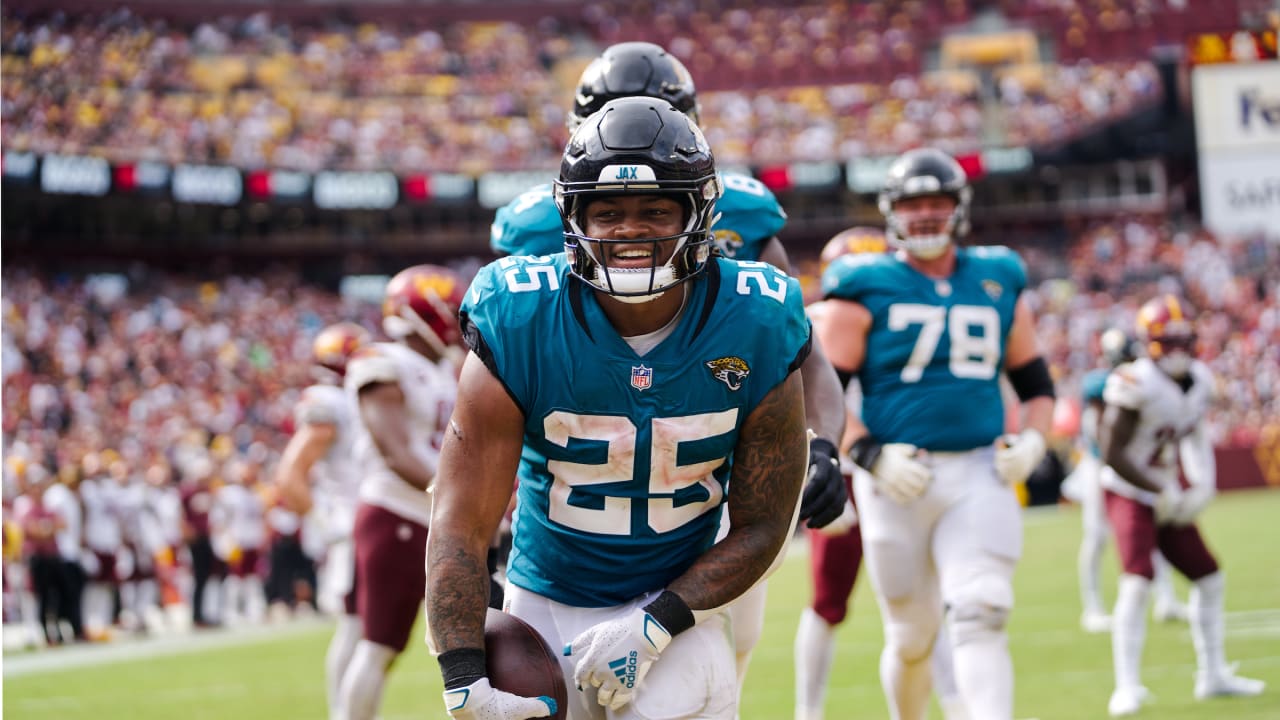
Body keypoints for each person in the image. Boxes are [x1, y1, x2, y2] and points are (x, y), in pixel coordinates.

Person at [426, 96, 810, 720]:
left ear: (700, 212)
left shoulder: (757, 318)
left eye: (656, 209)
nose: (631, 230)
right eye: (607, 212)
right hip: (541, 603)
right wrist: (463, 678)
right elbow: (461, 524)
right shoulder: (519, 314)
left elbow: (764, 524)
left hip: (677, 603)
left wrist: (655, 625)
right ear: (573, 218)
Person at [489, 41, 849, 691]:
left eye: (656, 113)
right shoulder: (540, 224)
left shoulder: (739, 213)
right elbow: (494, 389)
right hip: (578, 496)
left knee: (719, 665)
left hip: (709, 488)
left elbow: (803, 351)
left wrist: (822, 442)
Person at [816, 147, 1055, 720]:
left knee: (982, 609)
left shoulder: (998, 276)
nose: (925, 214)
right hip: (898, 480)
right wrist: (869, 454)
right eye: (913, 203)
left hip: (979, 469)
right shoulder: (863, 282)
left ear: (958, 208)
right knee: (912, 636)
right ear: (893, 211)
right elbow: (821, 397)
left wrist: (1035, 440)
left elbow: (1037, 383)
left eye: (937, 202)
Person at [795, 227, 965, 720]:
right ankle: (808, 710)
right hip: (846, 471)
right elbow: (805, 408)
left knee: (930, 601)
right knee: (829, 601)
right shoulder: (819, 320)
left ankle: (957, 702)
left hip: (902, 470)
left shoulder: (897, 318)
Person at [1099, 294, 1264, 716]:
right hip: (1129, 489)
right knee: (1137, 582)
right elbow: (1112, 452)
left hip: (1164, 487)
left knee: (1208, 577)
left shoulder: (1202, 380)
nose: (1175, 351)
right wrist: (1160, 489)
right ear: (1147, 343)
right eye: (1165, 342)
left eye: (1180, 341)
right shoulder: (1134, 382)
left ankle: (1212, 675)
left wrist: (1202, 483)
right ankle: (1126, 686)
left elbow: (1192, 435)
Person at [337, 264, 465, 720]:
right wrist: (460, 501)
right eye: (449, 310)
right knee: (378, 645)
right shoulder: (381, 361)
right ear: (425, 312)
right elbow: (396, 452)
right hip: (398, 513)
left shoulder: (442, 371)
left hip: (431, 516)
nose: (456, 320)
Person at [274, 320, 370, 719]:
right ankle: (341, 713)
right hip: (355, 528)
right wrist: (322, 522)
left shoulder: (346, 398)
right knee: (356, 628)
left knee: (368, 631)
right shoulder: (328, 402)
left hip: (369, 522)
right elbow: (289, 475)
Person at [1071, 328, 1186, 634]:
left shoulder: (1139, 381)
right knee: (1096, 536)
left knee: (1150, 528)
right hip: (1100, 464)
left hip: (1130, 464)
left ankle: (1166, 598)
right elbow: (1102, 427)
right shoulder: (1101, 383)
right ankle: (1092, 607)